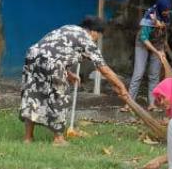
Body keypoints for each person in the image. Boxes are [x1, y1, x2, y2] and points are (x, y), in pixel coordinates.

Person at [20, 16, 130, 145]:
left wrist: (68, 73)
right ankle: (58, 139)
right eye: (98, 36)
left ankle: (28, 138)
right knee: (59, 97)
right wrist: (121, 86)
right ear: (94, 32)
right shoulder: (87, 40)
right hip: (52, 63)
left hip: (32, 57)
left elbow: (54, 50)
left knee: (33, 95)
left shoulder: (69, 28)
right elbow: (103, 69)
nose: (97, 39)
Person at [128, 0, 172, 106]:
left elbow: (166, 28)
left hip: (158, 41)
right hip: (143, 42)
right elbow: (144, 38)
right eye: (165, 11)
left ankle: (152, 104)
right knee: (138, 73)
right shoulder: (149, 16)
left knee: (154, 75)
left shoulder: (171, 11)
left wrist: (163, 45)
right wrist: (156, 52)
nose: (167, 13)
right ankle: (129, 103)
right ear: (160, 8)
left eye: (168, 11)